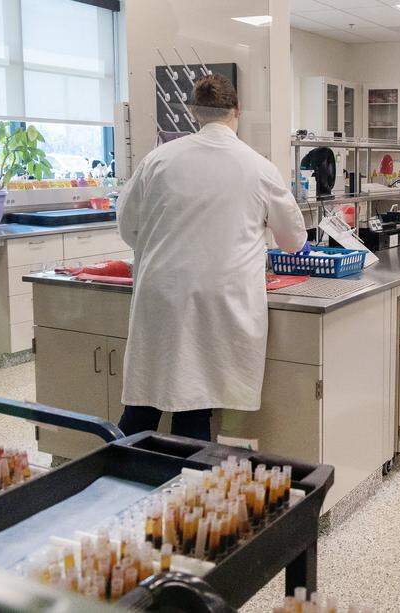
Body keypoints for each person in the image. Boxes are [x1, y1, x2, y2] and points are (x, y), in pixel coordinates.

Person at [116, 74, 307, 440]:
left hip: (161, 293)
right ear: (237, 110)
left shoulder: (157, 160)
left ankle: (120, 483)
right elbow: (294, 240)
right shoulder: (258, 167)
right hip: (220, 300)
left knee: (144, 403)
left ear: (194, 113)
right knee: (196, 404)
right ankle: (188, 491)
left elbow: (128, 228)